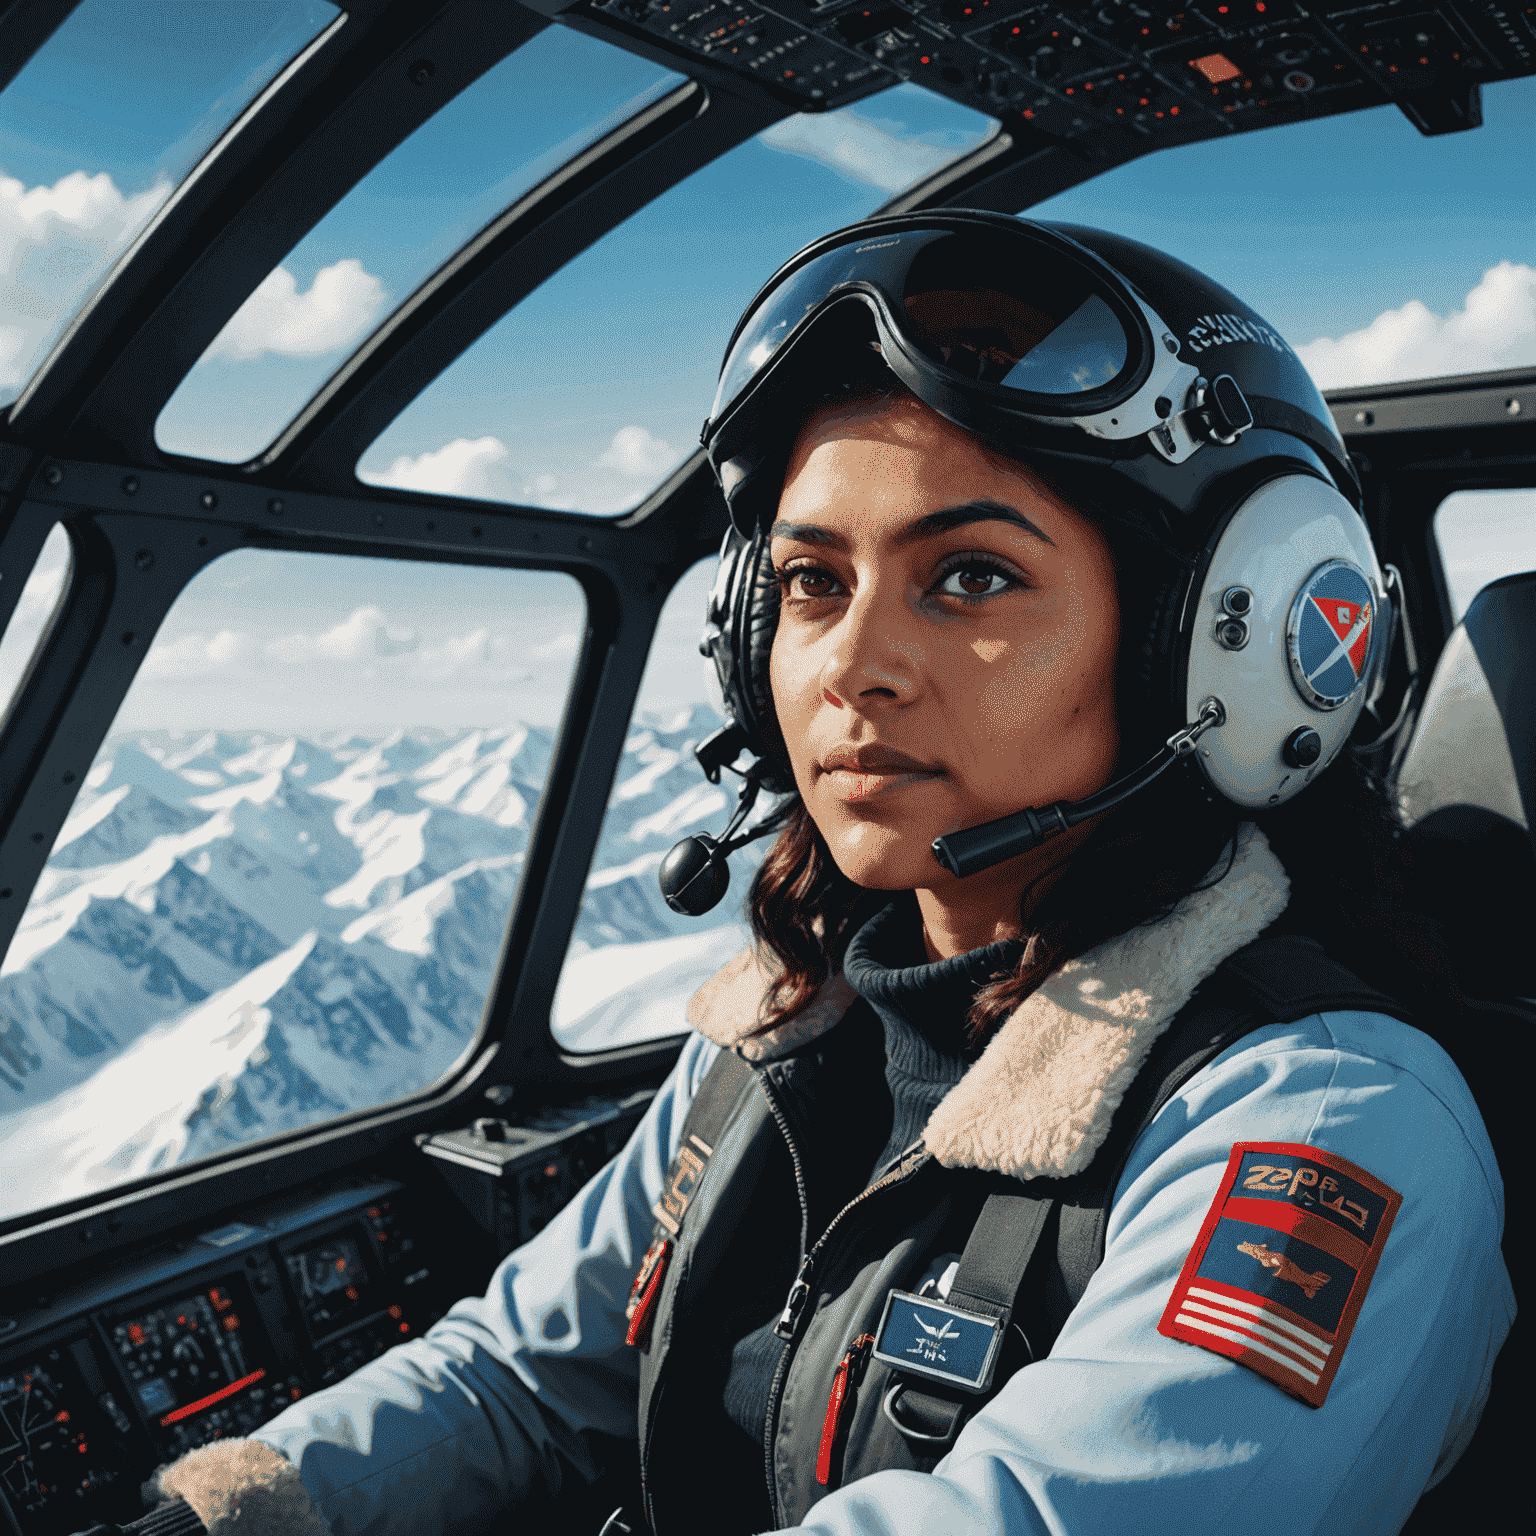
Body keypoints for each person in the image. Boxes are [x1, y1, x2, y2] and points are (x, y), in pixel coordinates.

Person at [111, 214, 1512, 1536]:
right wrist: (242, 1505)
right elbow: (527, 1370)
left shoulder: (1323, 1120)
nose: (849, 665)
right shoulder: (791, 1018)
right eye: (810, 582)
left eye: (969, 577)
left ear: (1219, 643)